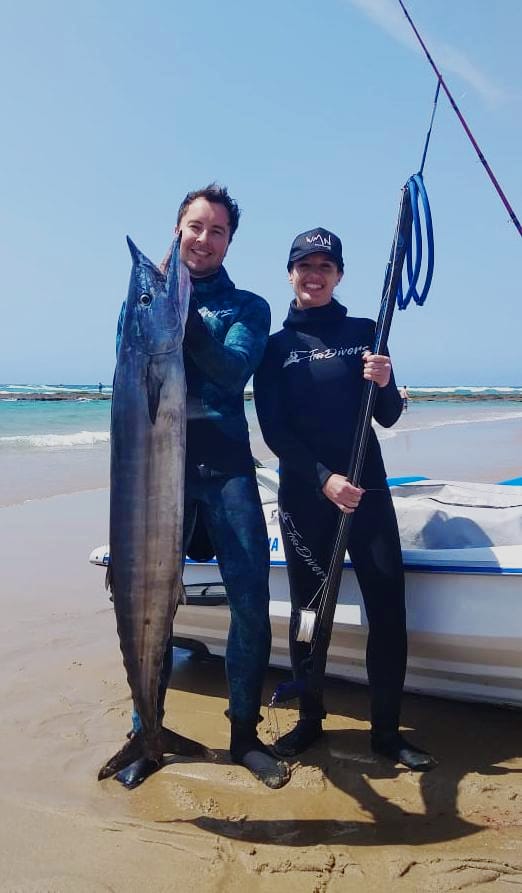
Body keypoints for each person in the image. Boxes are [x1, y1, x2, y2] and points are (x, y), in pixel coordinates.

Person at [116, 184, 290, 789]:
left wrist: (178, 314)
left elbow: (232, 370)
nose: (204, 239)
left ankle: (244, 736)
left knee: (251, 605)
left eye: (218, 231)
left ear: (229, 242)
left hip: (226, 472)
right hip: (154, 479)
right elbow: (127, 380)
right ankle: (146, 732)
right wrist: (160, 304)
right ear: (178, 230)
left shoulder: (248, 307)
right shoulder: (142, 303)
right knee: (146, 598)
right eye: (195, 227)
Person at [254, 227, 436, 771]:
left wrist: (384, 381)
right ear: (290, 273)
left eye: (325, 266)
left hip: (367, 492)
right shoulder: (274, 348)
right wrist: (324, 479)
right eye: (305, 266)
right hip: (308, 495)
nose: (315, 275)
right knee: (309, 612)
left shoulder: (366, 331)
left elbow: (388, 416)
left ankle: (386, 733)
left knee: (388, 608)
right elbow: (275, 432)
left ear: (338, 274)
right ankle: (310, 720)